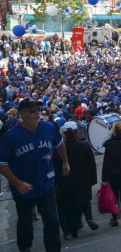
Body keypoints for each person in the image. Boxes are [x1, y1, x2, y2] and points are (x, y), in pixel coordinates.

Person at [0, 99, 70, 252]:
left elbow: (59, 143)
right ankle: (25, 247)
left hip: (46, 183)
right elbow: (2, 163)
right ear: (23, 114)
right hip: (23, 188)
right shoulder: (10, 137)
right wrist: (16, 182)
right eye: (33, 111)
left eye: (39, 110)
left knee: (51, 219)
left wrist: (65, 161)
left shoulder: (48, 127)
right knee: (25, 221)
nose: (38, 113)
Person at [54, 122, 98, 241]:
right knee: (85, 200)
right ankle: (89, 218)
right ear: (76, 132)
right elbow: (92, 164)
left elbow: (57, 168)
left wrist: (58, 184)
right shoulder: (84, 145)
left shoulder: (59, 150)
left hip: (68, 181)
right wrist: (93, 179)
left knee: (70, 207)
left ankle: (72, 231)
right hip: (84, 179)